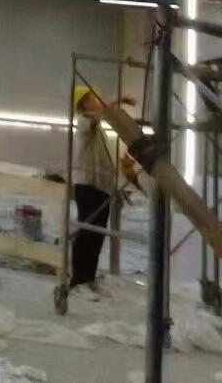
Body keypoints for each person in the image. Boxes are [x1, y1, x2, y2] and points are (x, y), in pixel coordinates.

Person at [71, 85, 132, 292]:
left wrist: (116, 186)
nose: (96, 100)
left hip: (102, 188)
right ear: (83, 104)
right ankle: (78, 278)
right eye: (91, 98)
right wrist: (119, 98)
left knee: (98, 235)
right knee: (87, 231)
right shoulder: (83, 122)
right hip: (88, 185)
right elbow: (99, 114)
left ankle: (89, 277)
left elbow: (105, 161)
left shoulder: (99, 131)